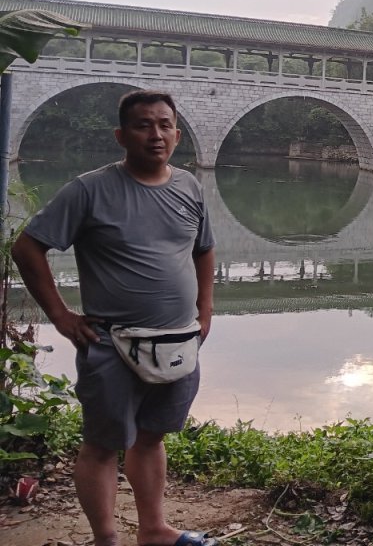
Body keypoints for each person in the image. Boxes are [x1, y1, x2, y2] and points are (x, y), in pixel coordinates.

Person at [12, 90, 218, 546]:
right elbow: (27, 248)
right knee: (103, 445)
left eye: (165, 125)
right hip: (111, 342)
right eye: (144, 125)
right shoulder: (89, 190)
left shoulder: (189, 186)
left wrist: (205, 309)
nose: (156, 134)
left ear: (178, 134)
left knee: (151, 438)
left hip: (179, 341)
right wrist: (61, 316)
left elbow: (203, 249)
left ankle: (154, 530)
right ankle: (106, 538)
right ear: (122, 135)